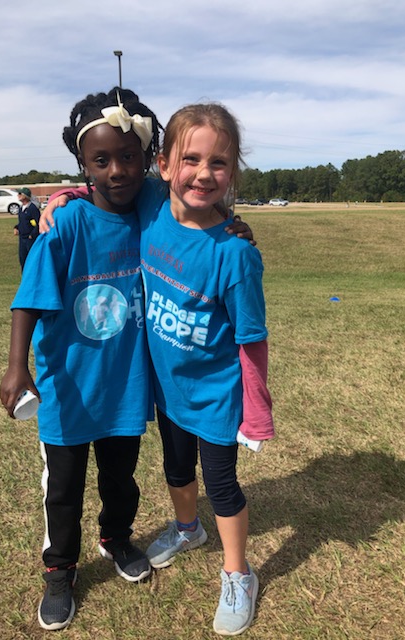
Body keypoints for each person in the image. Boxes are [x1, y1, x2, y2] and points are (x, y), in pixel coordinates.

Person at [40, 100, 274, 636]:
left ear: (233, 172)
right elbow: (105, 188)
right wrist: (64, 193)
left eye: (219, 164)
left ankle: (238, 573)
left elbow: (251, 339)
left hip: (215, 394)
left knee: (221, 482)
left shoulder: (234, 252)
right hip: (165, 389)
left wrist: (257, 413)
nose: (203, 173)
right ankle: (187, 528)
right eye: (190, 159)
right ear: (164, 165)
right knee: (175, 471)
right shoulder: (151, 204)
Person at [0, 88, 163, 631]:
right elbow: (30, 296)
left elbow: (197, 208)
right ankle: (60, 569)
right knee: (63, 488)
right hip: (68, 387)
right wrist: (16, 366)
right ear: (82, 165)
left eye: (128, 156)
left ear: (145, 157)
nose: (117, 170)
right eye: (101, 160)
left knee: (122, 478)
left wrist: (232, 226)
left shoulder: (151, 214)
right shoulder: (65, 223)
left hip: (123, 385)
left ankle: (117, 537)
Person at [13, 187, 41, 271]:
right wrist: (16, 227)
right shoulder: (21, 208)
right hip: (22, 238)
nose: (18, 195)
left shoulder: (32, 208)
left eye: (20, 194)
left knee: (31, 259)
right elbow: (22, 222)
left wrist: (32, 235)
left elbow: (38, 223)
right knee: (23, 259)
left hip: (30, 238)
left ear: (25, 196)